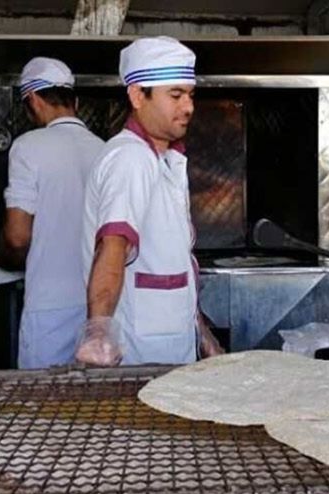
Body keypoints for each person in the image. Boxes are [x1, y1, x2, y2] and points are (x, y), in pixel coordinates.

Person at [80, 36, 223, 366]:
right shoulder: (129, 158)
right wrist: (99, 331)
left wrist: (201, 333)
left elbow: (174, 262)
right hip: (139, 357)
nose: (188, 107)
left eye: (190, 95)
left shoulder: (165, 160)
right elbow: (113, 246)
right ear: (137, 96)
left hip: (168, 350)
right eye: (175, 95)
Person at [0, 57, 104, 368]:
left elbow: (17, 237)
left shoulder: (28, 146)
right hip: (101, 307)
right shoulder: (105, 149)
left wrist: (3, 257)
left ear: (32, 99)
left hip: (49, 308)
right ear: (75, 101)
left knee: (43, 395)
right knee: (96, 394)